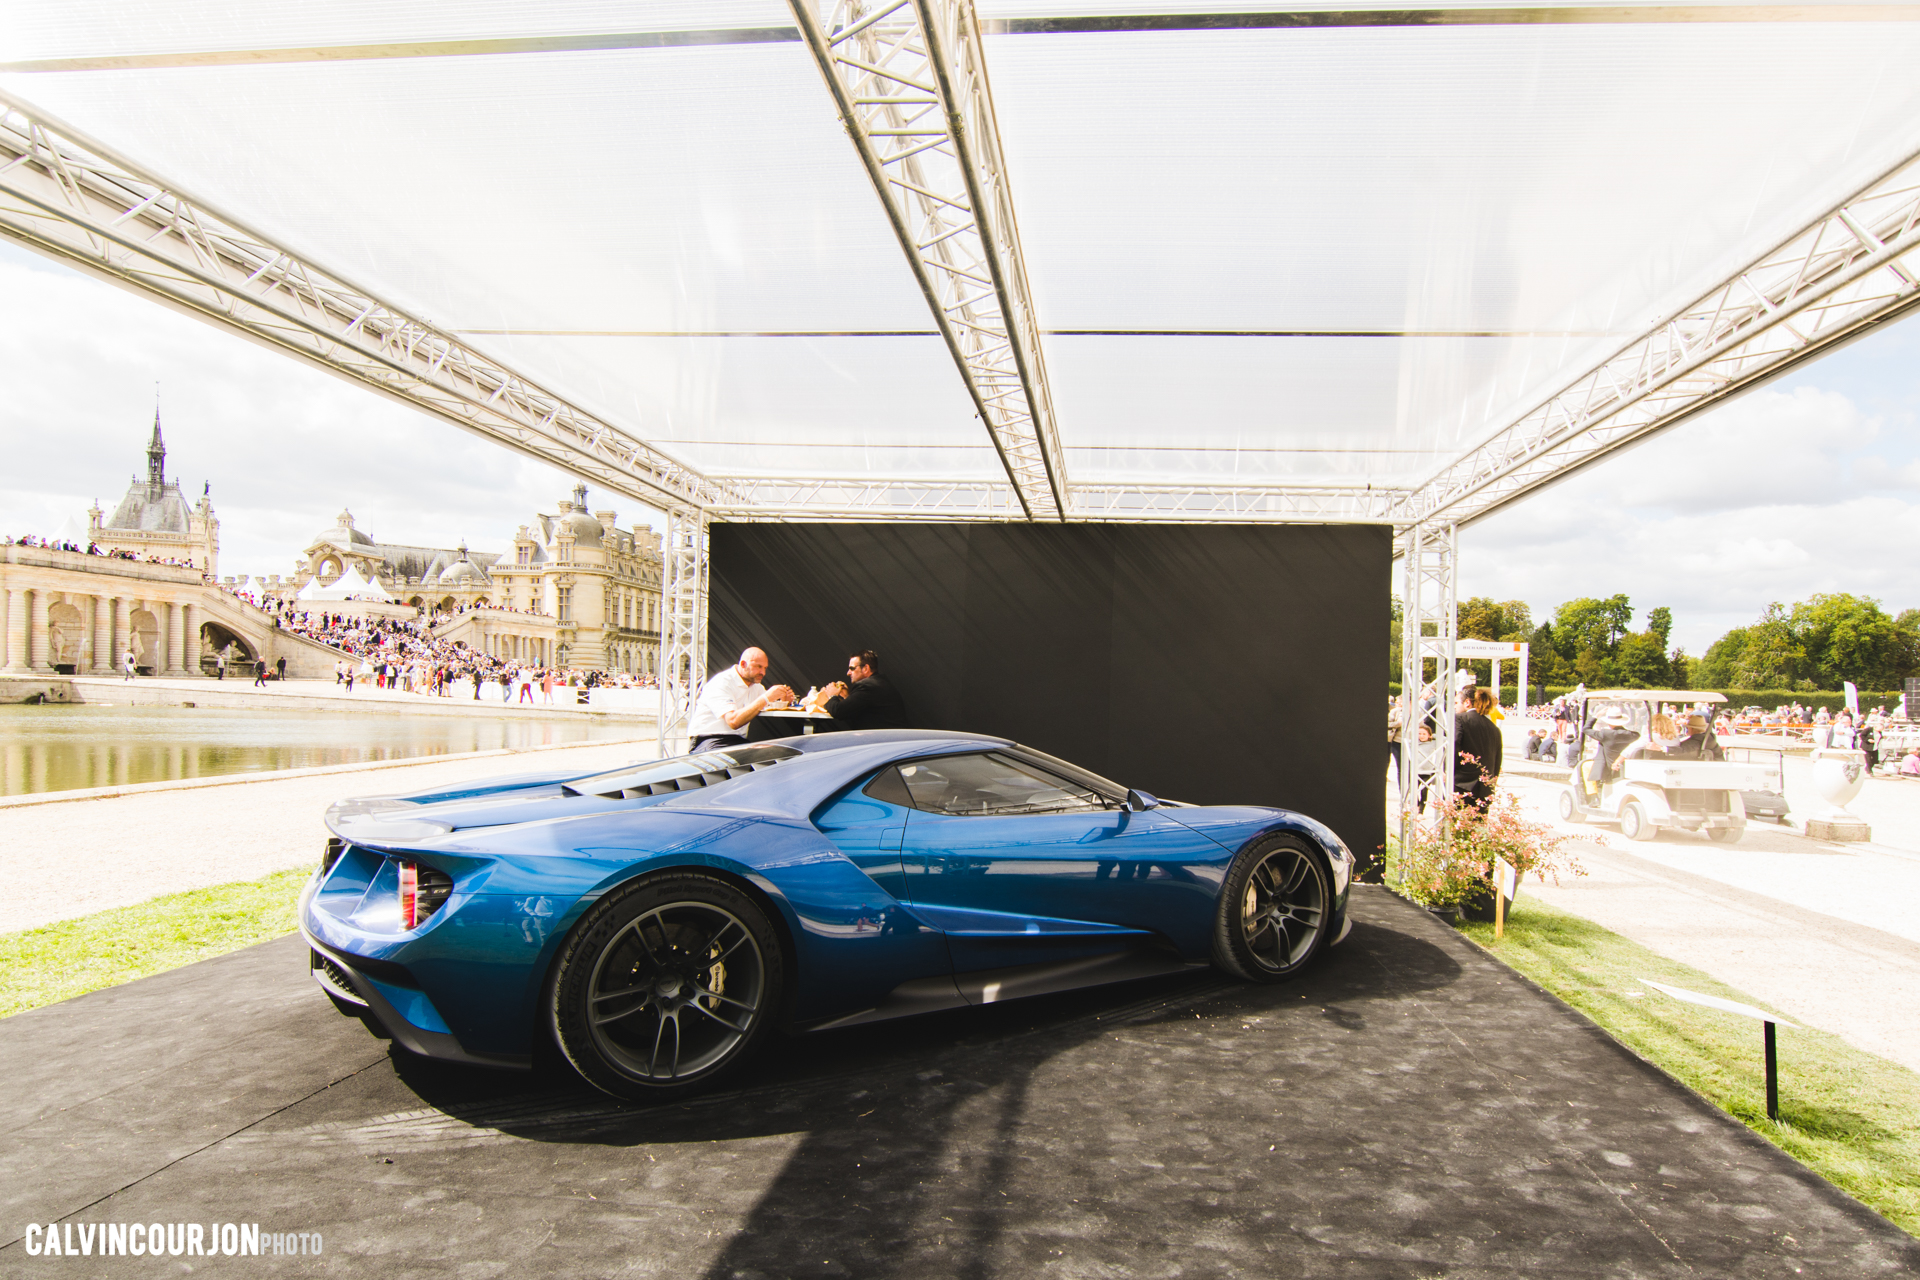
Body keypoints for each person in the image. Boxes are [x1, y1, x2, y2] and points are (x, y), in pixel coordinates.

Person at [689, 647, 794, 753]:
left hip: (737, 741)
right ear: (743, 664)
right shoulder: (721, 682)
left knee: (777, 753)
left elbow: (769, 705)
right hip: (709, 740)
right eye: (758, 667)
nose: (763, 672)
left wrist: (784, 701)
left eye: (765, 668)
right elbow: (733, 721)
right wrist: (766, 697)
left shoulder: (756, 687)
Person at [817, 650, 908, 730]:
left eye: (852, 668)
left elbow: (838, 712)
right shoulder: (878, 682)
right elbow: (858, 709)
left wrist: (831, 695)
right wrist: (847, 697)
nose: (848, 673)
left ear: (866, 668)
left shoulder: (866, 686)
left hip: (880, 742)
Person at [1453, 685, 1503, 809]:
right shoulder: (1494, 728)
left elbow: (1455, 745)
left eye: (1456, 702)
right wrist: (1491, 782)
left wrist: (1448, 771)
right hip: (1484, 786)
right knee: (1478, 825)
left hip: (1461, 783)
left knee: (1454, 823)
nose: (1454, 706)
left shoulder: (1460, 719)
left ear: (1467, 703)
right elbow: (1497, 760)